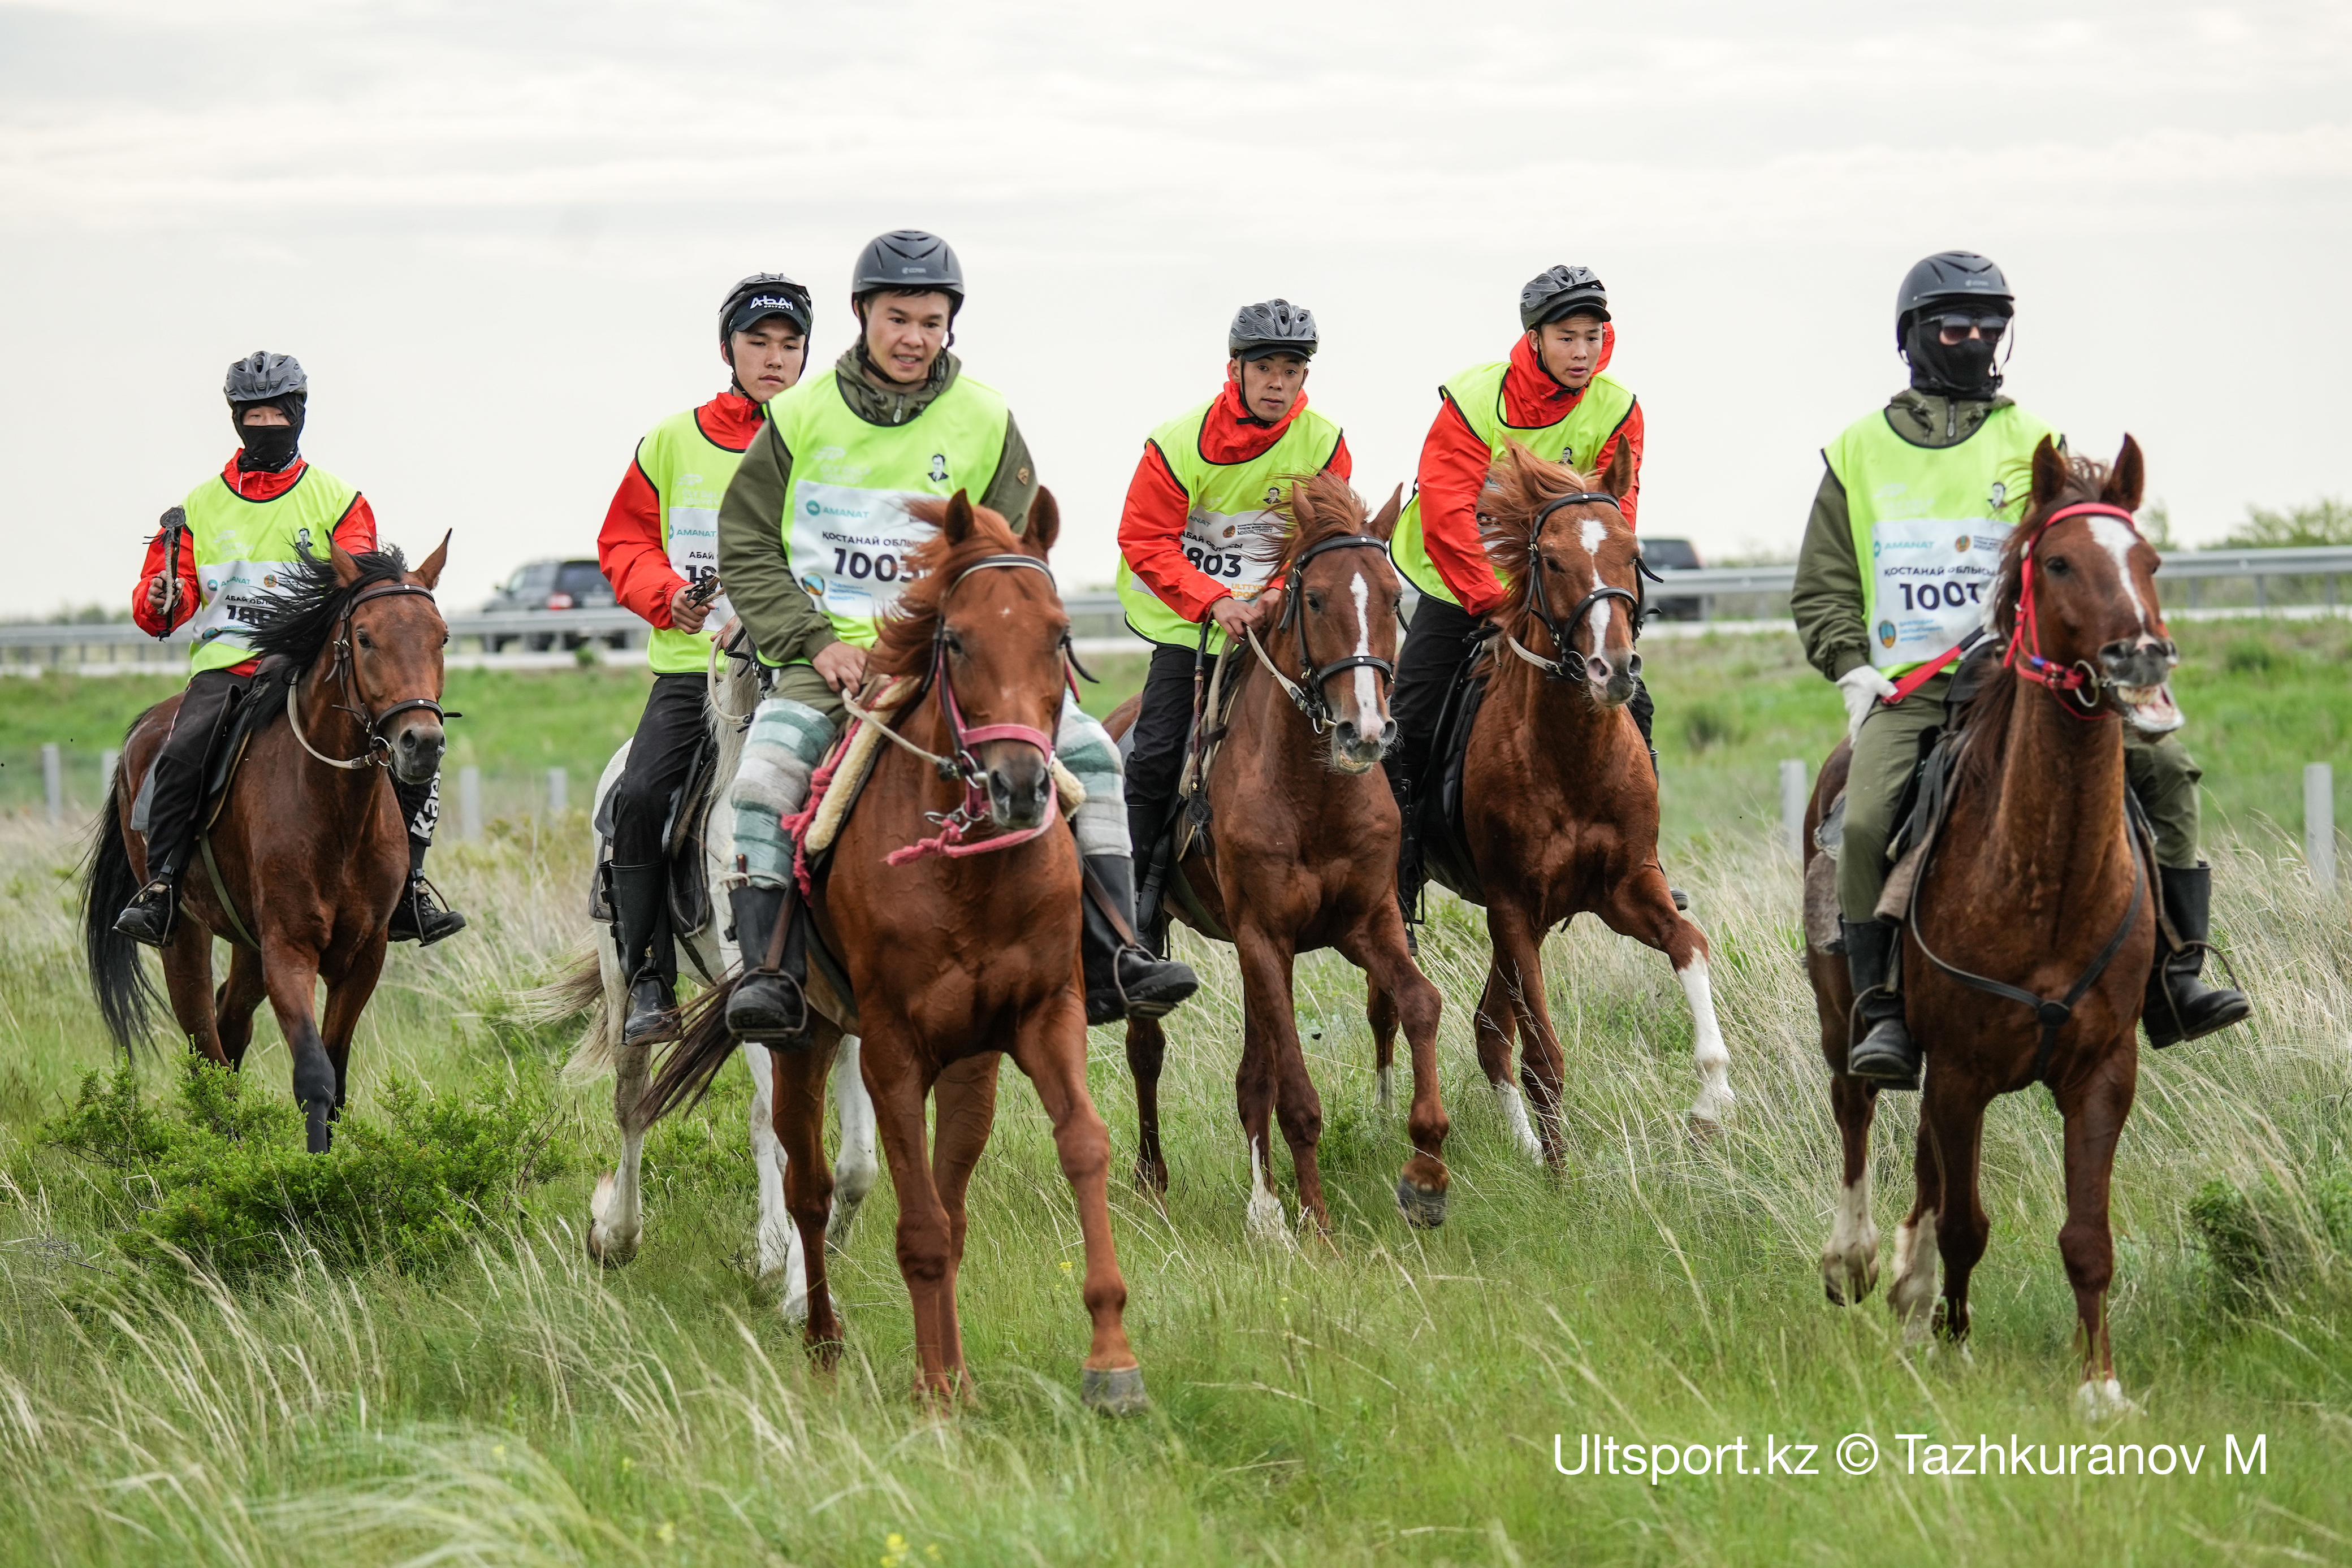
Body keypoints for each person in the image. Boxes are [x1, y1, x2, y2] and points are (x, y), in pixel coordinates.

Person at [715, 229, 1198, 1044]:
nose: (913, 337)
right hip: (829, 660)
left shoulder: (985, 417)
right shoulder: (798, 416)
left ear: (950, 327)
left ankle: (1119, 949)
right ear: (863, 314)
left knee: (1093, 760)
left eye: (931, 321)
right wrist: (812, 640)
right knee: (765, 777)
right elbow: (747, 542)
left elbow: (1015, 557)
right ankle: (770, 973)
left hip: (956, 661)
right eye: (897, 317)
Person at [1791, 250, 2249, 1089]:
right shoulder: (1856, 451)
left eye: (1990, 326)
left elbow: (2083, 560)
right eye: (1956, 325)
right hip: (1913, 687)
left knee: (2168, 767)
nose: (1975, 340)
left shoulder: (2035, 440)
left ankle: (2179, 974)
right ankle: (1882, 1007)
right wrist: (1852, 667)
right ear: (1916, 337)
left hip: (2030, 678)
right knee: (1861, 822)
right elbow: (1822, 586)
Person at [115, 352, 464, 948]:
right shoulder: (198, 506)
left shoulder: (338, 498)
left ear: (299, 414)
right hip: (227, 667)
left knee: (409, 749)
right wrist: (161, 593)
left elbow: (358, 586)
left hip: (308, 667)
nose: (267, 423)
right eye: (254, 414)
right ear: (235, 418)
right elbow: (161, 613)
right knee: (180, 754)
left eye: (278, 412)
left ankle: (411, 887)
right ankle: (163, 886)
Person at [1385, 264, 1658, 917]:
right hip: (1460, 585)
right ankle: (1398, 874)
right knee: (1411, 721)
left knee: (1635, 703)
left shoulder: (1618, 408)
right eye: (1567, 337)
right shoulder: (1474, 402)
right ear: (1533, 338)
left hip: (1558, 593)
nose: (1582, 351)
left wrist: (1604, 595)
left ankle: (1640, 859)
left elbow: (1618, 514)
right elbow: (1447, 511)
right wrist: (1487, 599)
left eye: (1593, 336)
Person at [598, 274, 813, 1043]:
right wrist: (668, 596)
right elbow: (624, 541)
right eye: (758, 342)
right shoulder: (671, 440)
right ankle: (649, 974)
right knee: (643, 795)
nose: (775, 358)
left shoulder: (829, 439)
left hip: (803, 670)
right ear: (728, 349)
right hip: (697, 675)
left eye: (791, 345)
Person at [1112, 298, 1350, 887]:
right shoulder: (1175, 443)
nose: (1277, 383)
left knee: (1366, 724)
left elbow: (1321, 538)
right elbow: (1144, 539)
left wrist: (1272, 593)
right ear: (1235, 368)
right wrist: (1215, 600)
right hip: (1188, 623)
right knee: (1154, 757)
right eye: (1265, 367)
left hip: (1280, 619)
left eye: (1290, 371)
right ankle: (1130, 917)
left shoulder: (1324, 444)